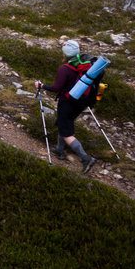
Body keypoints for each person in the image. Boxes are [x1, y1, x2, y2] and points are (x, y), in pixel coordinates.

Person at [35, 39, 97, 173]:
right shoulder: (83, 66)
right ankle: (59, 150)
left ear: (65, 53)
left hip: (67, 102)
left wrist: (41, 86)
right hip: (79, 102)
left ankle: (85, 158)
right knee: (64, 124)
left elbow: (56, 87)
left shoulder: (65, 68)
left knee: (66, 133)